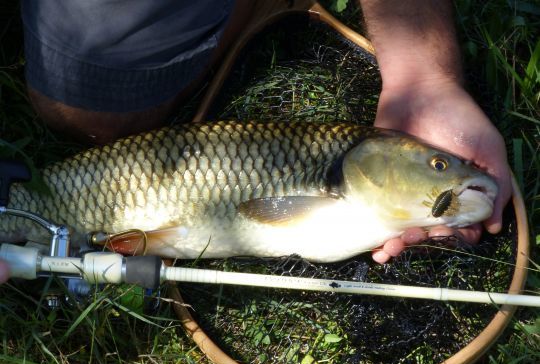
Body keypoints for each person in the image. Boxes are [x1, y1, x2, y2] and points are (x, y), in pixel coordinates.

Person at [0, 0, 511, 283]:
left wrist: (426, 81)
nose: (452, 172)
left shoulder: (357, 191)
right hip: (113, 182)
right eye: (440, 166)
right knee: (82, 109)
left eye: (441, 166)